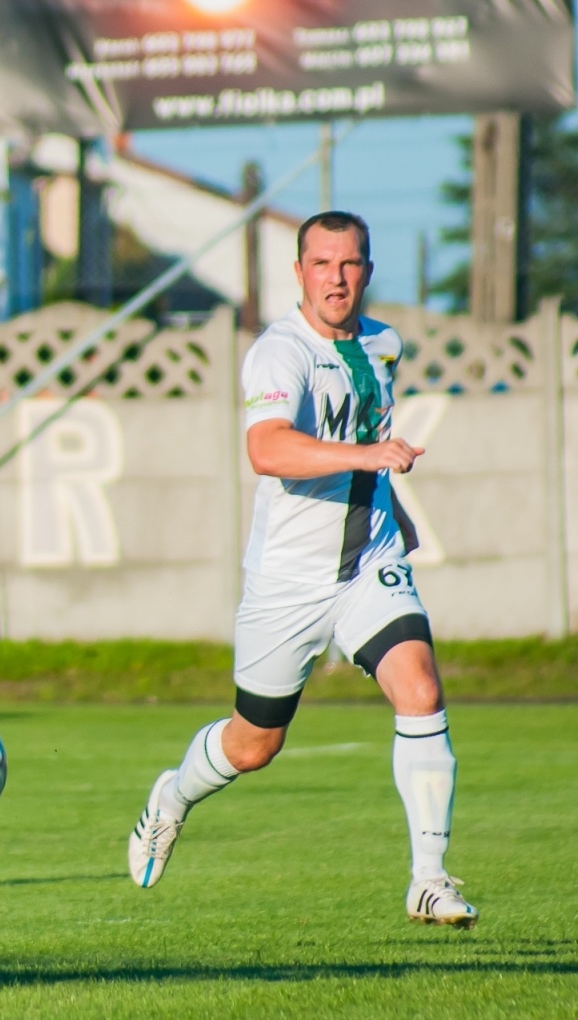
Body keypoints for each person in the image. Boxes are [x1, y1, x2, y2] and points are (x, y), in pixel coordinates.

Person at [127, 211, 478, 928]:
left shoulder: (384, 345)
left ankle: (430, 879)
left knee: (419, 686)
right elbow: (270, 450)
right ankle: (172, 796)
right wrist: (367, 460)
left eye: (349, 264)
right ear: (299, 272)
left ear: (368, 272)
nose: (336, 279)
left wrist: (393, 507)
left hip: (368, 563)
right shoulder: (278, 352)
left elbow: (366, 441)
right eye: (321, 264)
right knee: (253, 744)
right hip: (288, 581)